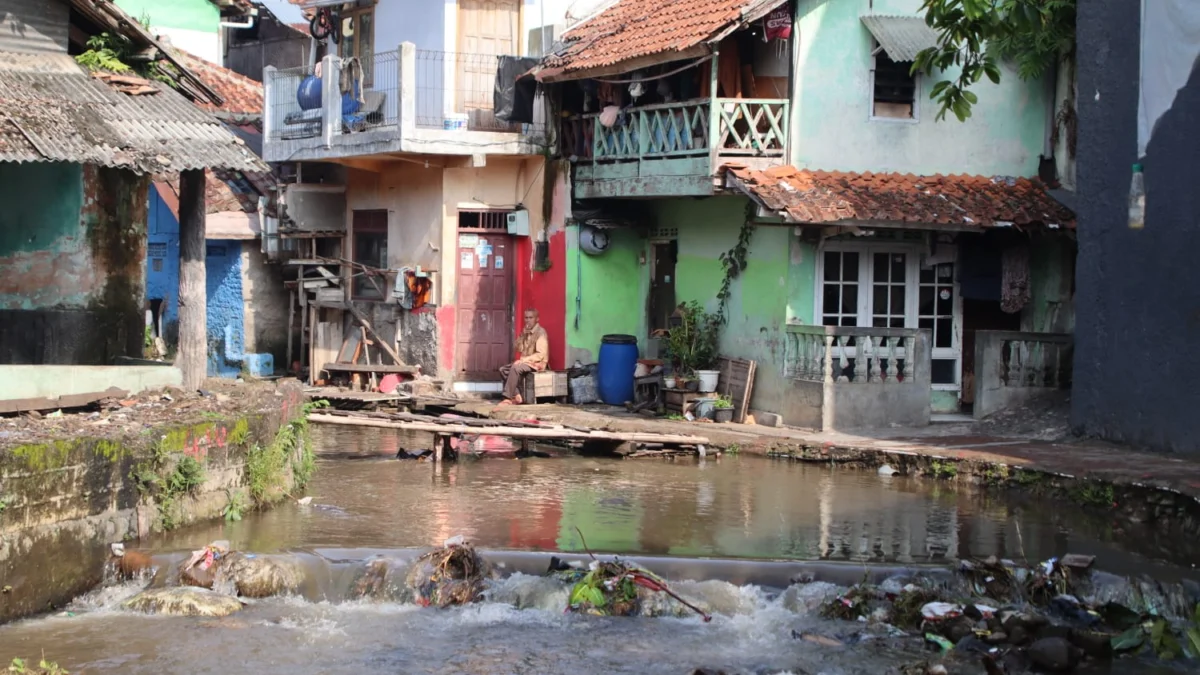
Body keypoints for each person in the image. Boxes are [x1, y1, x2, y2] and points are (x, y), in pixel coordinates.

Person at [499, 309, 549, 405]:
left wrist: (524, 360)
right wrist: (522, 336)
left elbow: (540, 355)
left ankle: (507, 397)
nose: (528, 320)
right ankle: (517, 395)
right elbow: (519, 349)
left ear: (537, 319)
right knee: (503, 369)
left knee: (516, 367)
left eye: (531, 318)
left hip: (537, 364)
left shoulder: (541, 332)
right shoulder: (525, 331)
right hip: (526, 362)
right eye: (526, 318)